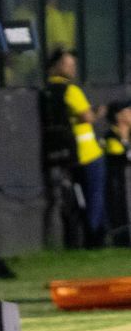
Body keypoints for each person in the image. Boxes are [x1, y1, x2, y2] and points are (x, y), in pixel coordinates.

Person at [43, 49, 106, 248]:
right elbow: (87, 117)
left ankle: (81, 238)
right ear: (57, 66)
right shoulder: (71, 90)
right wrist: (98, 112)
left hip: (65, 155)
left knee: (76, 200)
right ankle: (94, 238)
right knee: (94, 199)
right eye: (69, 64)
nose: (73, 69)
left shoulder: (47, 92)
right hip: (88, 154)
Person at [104, 100, 131, 246]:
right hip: (119, 188)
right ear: (119, 116)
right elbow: (123, 158)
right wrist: (124, 139)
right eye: (128, 111)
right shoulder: (111, 136)